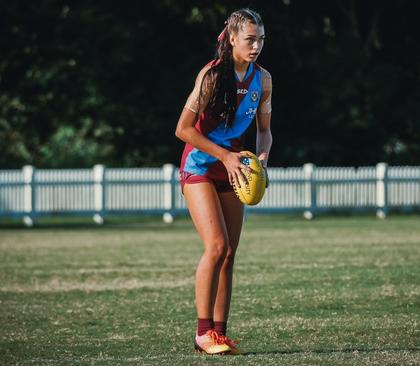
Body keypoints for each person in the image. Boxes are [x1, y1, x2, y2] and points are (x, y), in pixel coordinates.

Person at [174, 8, 272, 355]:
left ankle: (219, 334)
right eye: (250, 39)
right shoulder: (212, 77)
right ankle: (202, 333)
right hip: (201, 164)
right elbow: (182, 129)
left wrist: (261, 159)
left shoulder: (264, 79)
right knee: (216, 246)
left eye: (261, 38)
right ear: (232, 39)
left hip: (235, 167)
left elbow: (264, 131)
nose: (256, 45)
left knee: (230, 253)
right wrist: (226, 155)